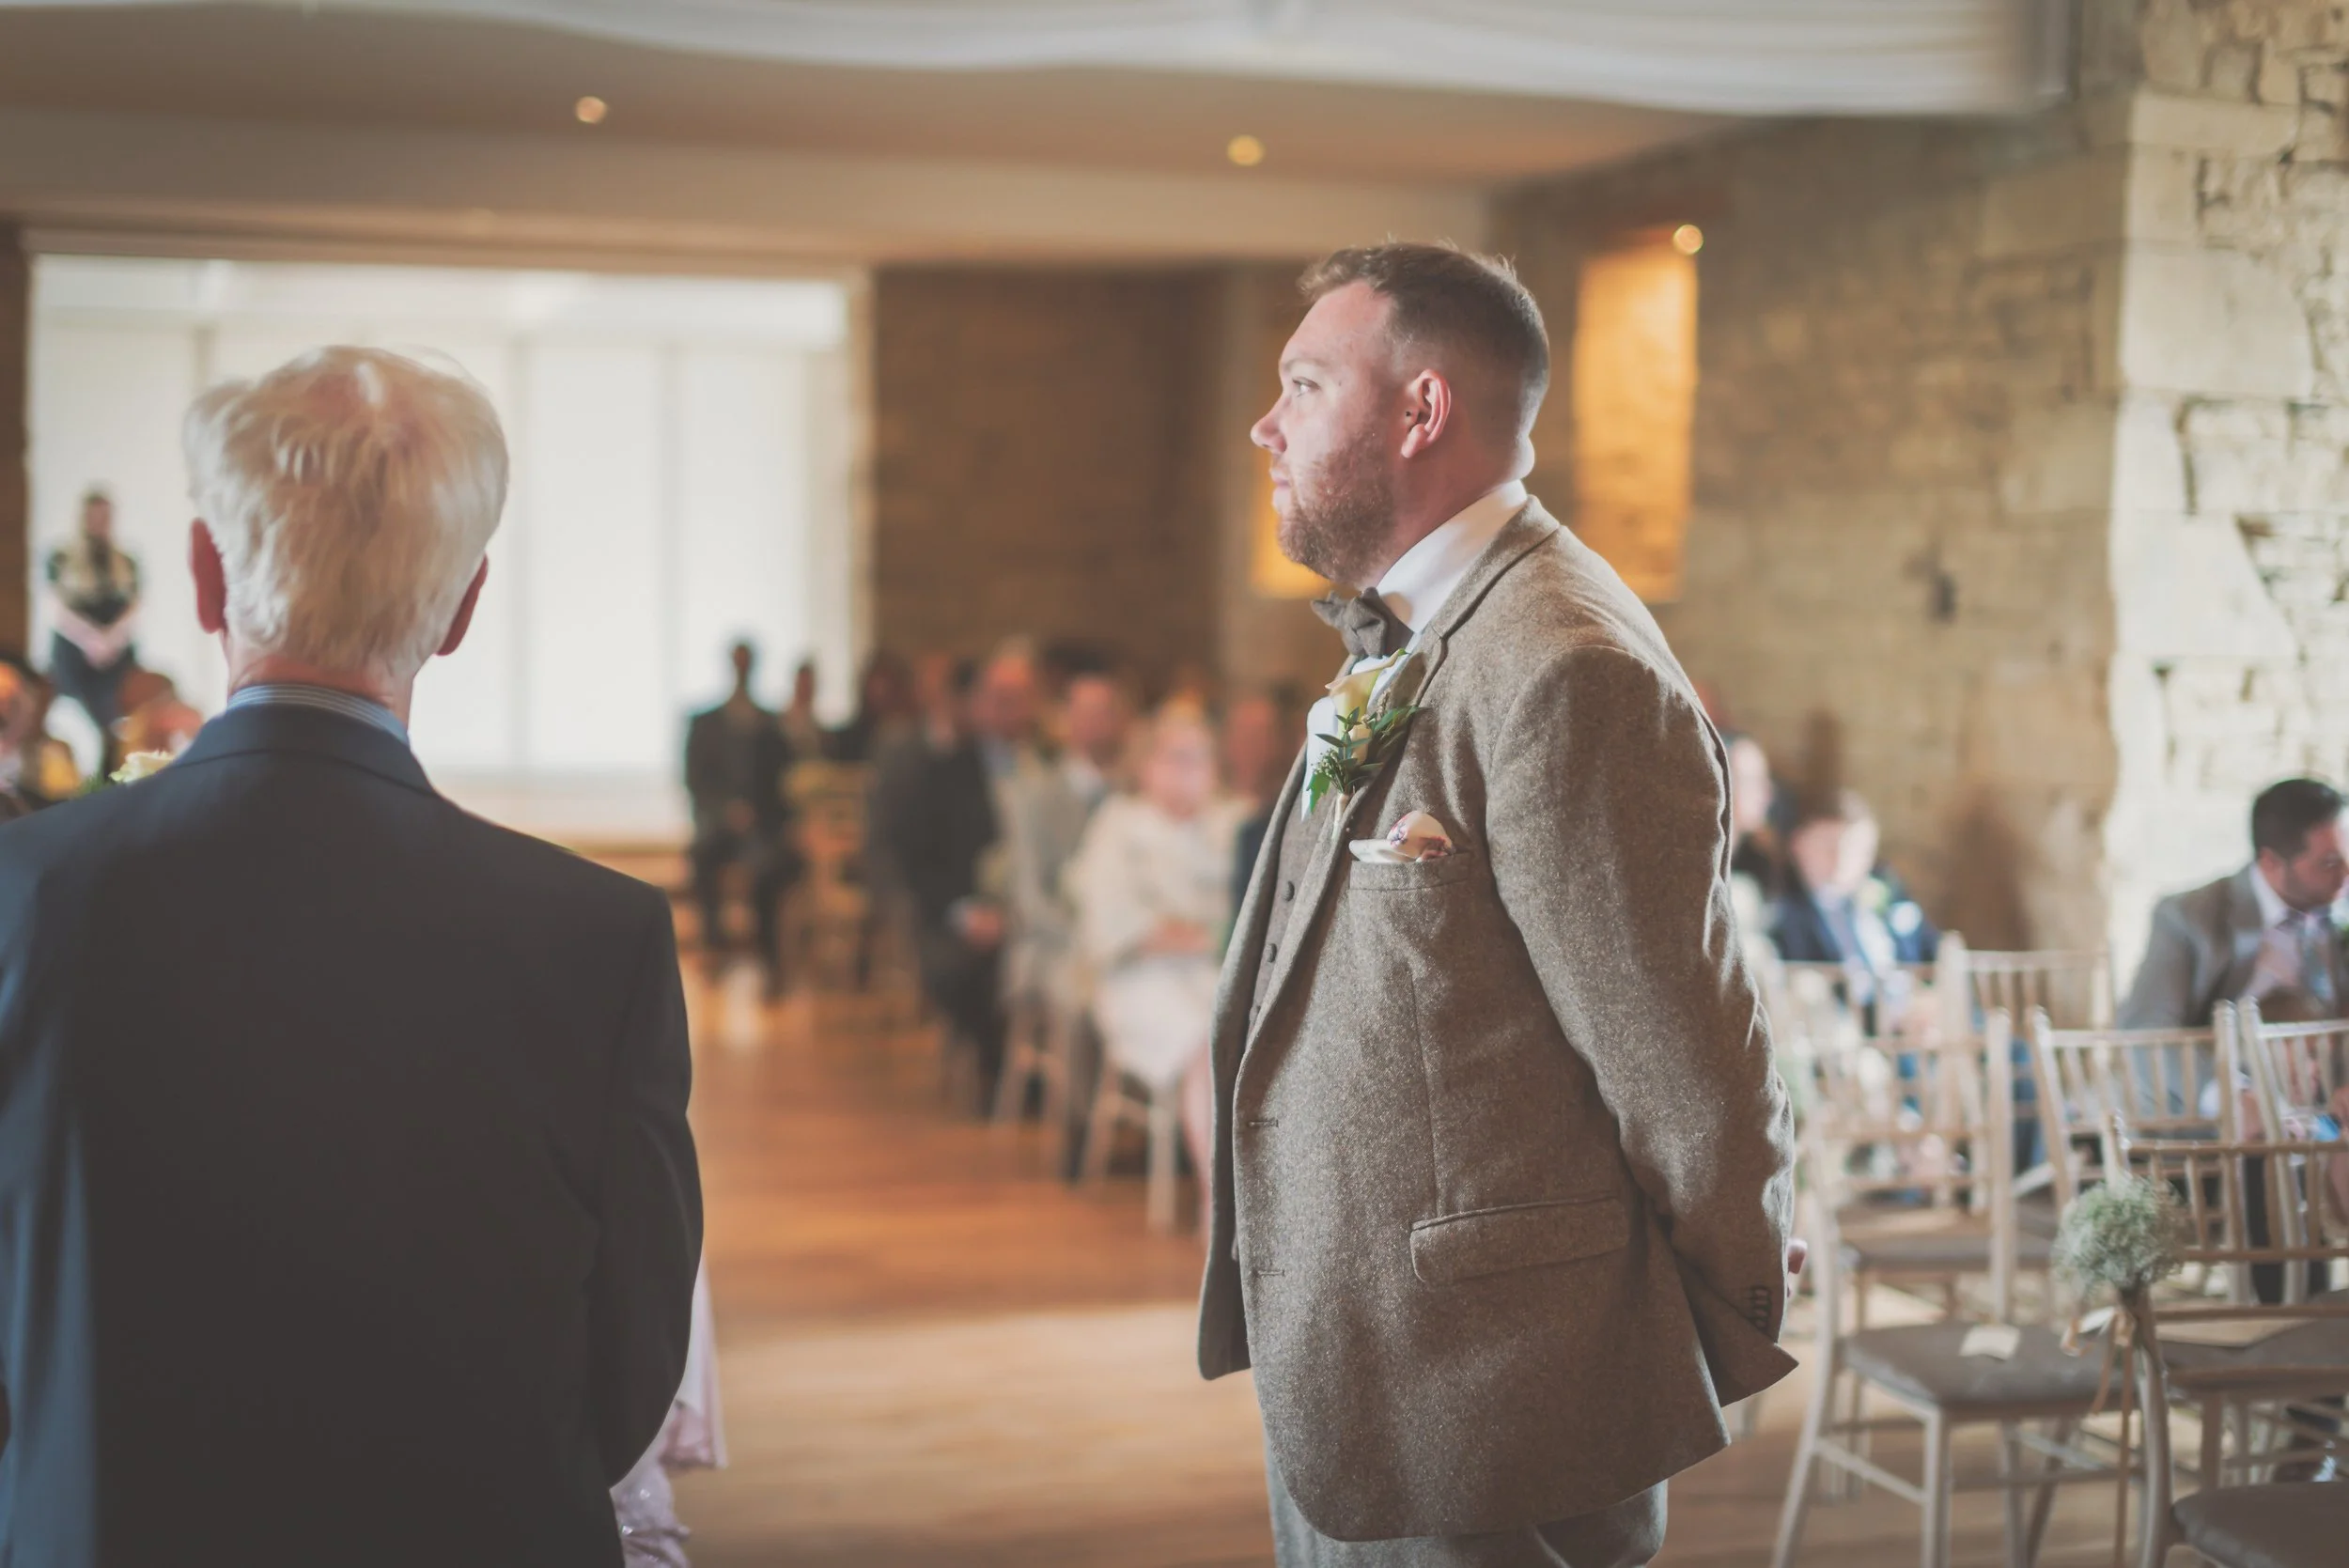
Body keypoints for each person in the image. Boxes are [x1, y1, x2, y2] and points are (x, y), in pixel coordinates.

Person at [0, 347, 701, 1567]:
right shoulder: (600, 938)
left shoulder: (22, 894)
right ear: (465, 604)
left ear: (205, 575)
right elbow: (634, 1368)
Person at [1202, 242, 1796, 1567]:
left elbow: (1688, 1061)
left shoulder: (1564, 667)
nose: (1265, 423)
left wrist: (1691, 1324)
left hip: (1494, 1383)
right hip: (1361, 1356)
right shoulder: (1423, 621)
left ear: (1420, 412)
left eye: (1304, 384)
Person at [1068, 706, 1245, 1194]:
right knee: (1203, 1045)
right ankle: (1220, 1203)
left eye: (1200, 758)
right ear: (1147, 765)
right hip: (1141, 978)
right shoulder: (1120, 824)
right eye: (1177, 758)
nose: (1190, 771)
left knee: (1254, 1033)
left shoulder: (1232, 821)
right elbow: (1116, 921)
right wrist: (1200, 934)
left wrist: (1202, 933)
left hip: (1217, 971)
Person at [869, 657, 1007, 1110]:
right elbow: (911, 854)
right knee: (956, 969)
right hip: (941, 905)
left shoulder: (995, 761)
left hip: (1001, 906)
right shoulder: (920, 761)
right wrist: (964, 912)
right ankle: (993, 1067)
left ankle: (1010, 1070)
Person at [2121, 777, 2349, 1030]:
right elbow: (2150, 1037)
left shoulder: (2337, 911)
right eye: (2329, 863)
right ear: (2271, 862)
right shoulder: (2186, 918)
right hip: (2219, 1067)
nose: (2346, 874)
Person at [684, 641, 799, 997]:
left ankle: (769, 959)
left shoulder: (771, 723)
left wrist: (757, 814)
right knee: (701, 855)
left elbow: (784, 781)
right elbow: (695, 779)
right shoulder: (705, 722)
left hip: (762, 826)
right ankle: (714, 945)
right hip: (720, 824)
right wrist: (725, 812)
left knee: (769, 870)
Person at [1769, 790, 1939, 973]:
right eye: (1827, 847)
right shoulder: (1779, 910)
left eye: (1854, 849)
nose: (1840, 860)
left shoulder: (1888, 888)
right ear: (1798, 844)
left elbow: (1931, 952)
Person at [45, 487, 143, 734]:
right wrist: (91, 640)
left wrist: (111, 640)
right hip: (75, 655)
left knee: (118, 722)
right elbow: (57, 609)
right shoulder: (61, 559)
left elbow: (135, 607)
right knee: (83, 727)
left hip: (115, 657)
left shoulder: (126, 561)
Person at [1220, 690, 1290, 916]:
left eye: (1260, 735)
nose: (1248, 744)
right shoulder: (1201, 808)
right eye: (1240, 733)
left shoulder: (1283, 818)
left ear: (1282, 741)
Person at [780, 657, 824, 760]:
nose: (806, 689)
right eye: (803, 684)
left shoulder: (815, 721)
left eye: (808, 684)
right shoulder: (786, 719)